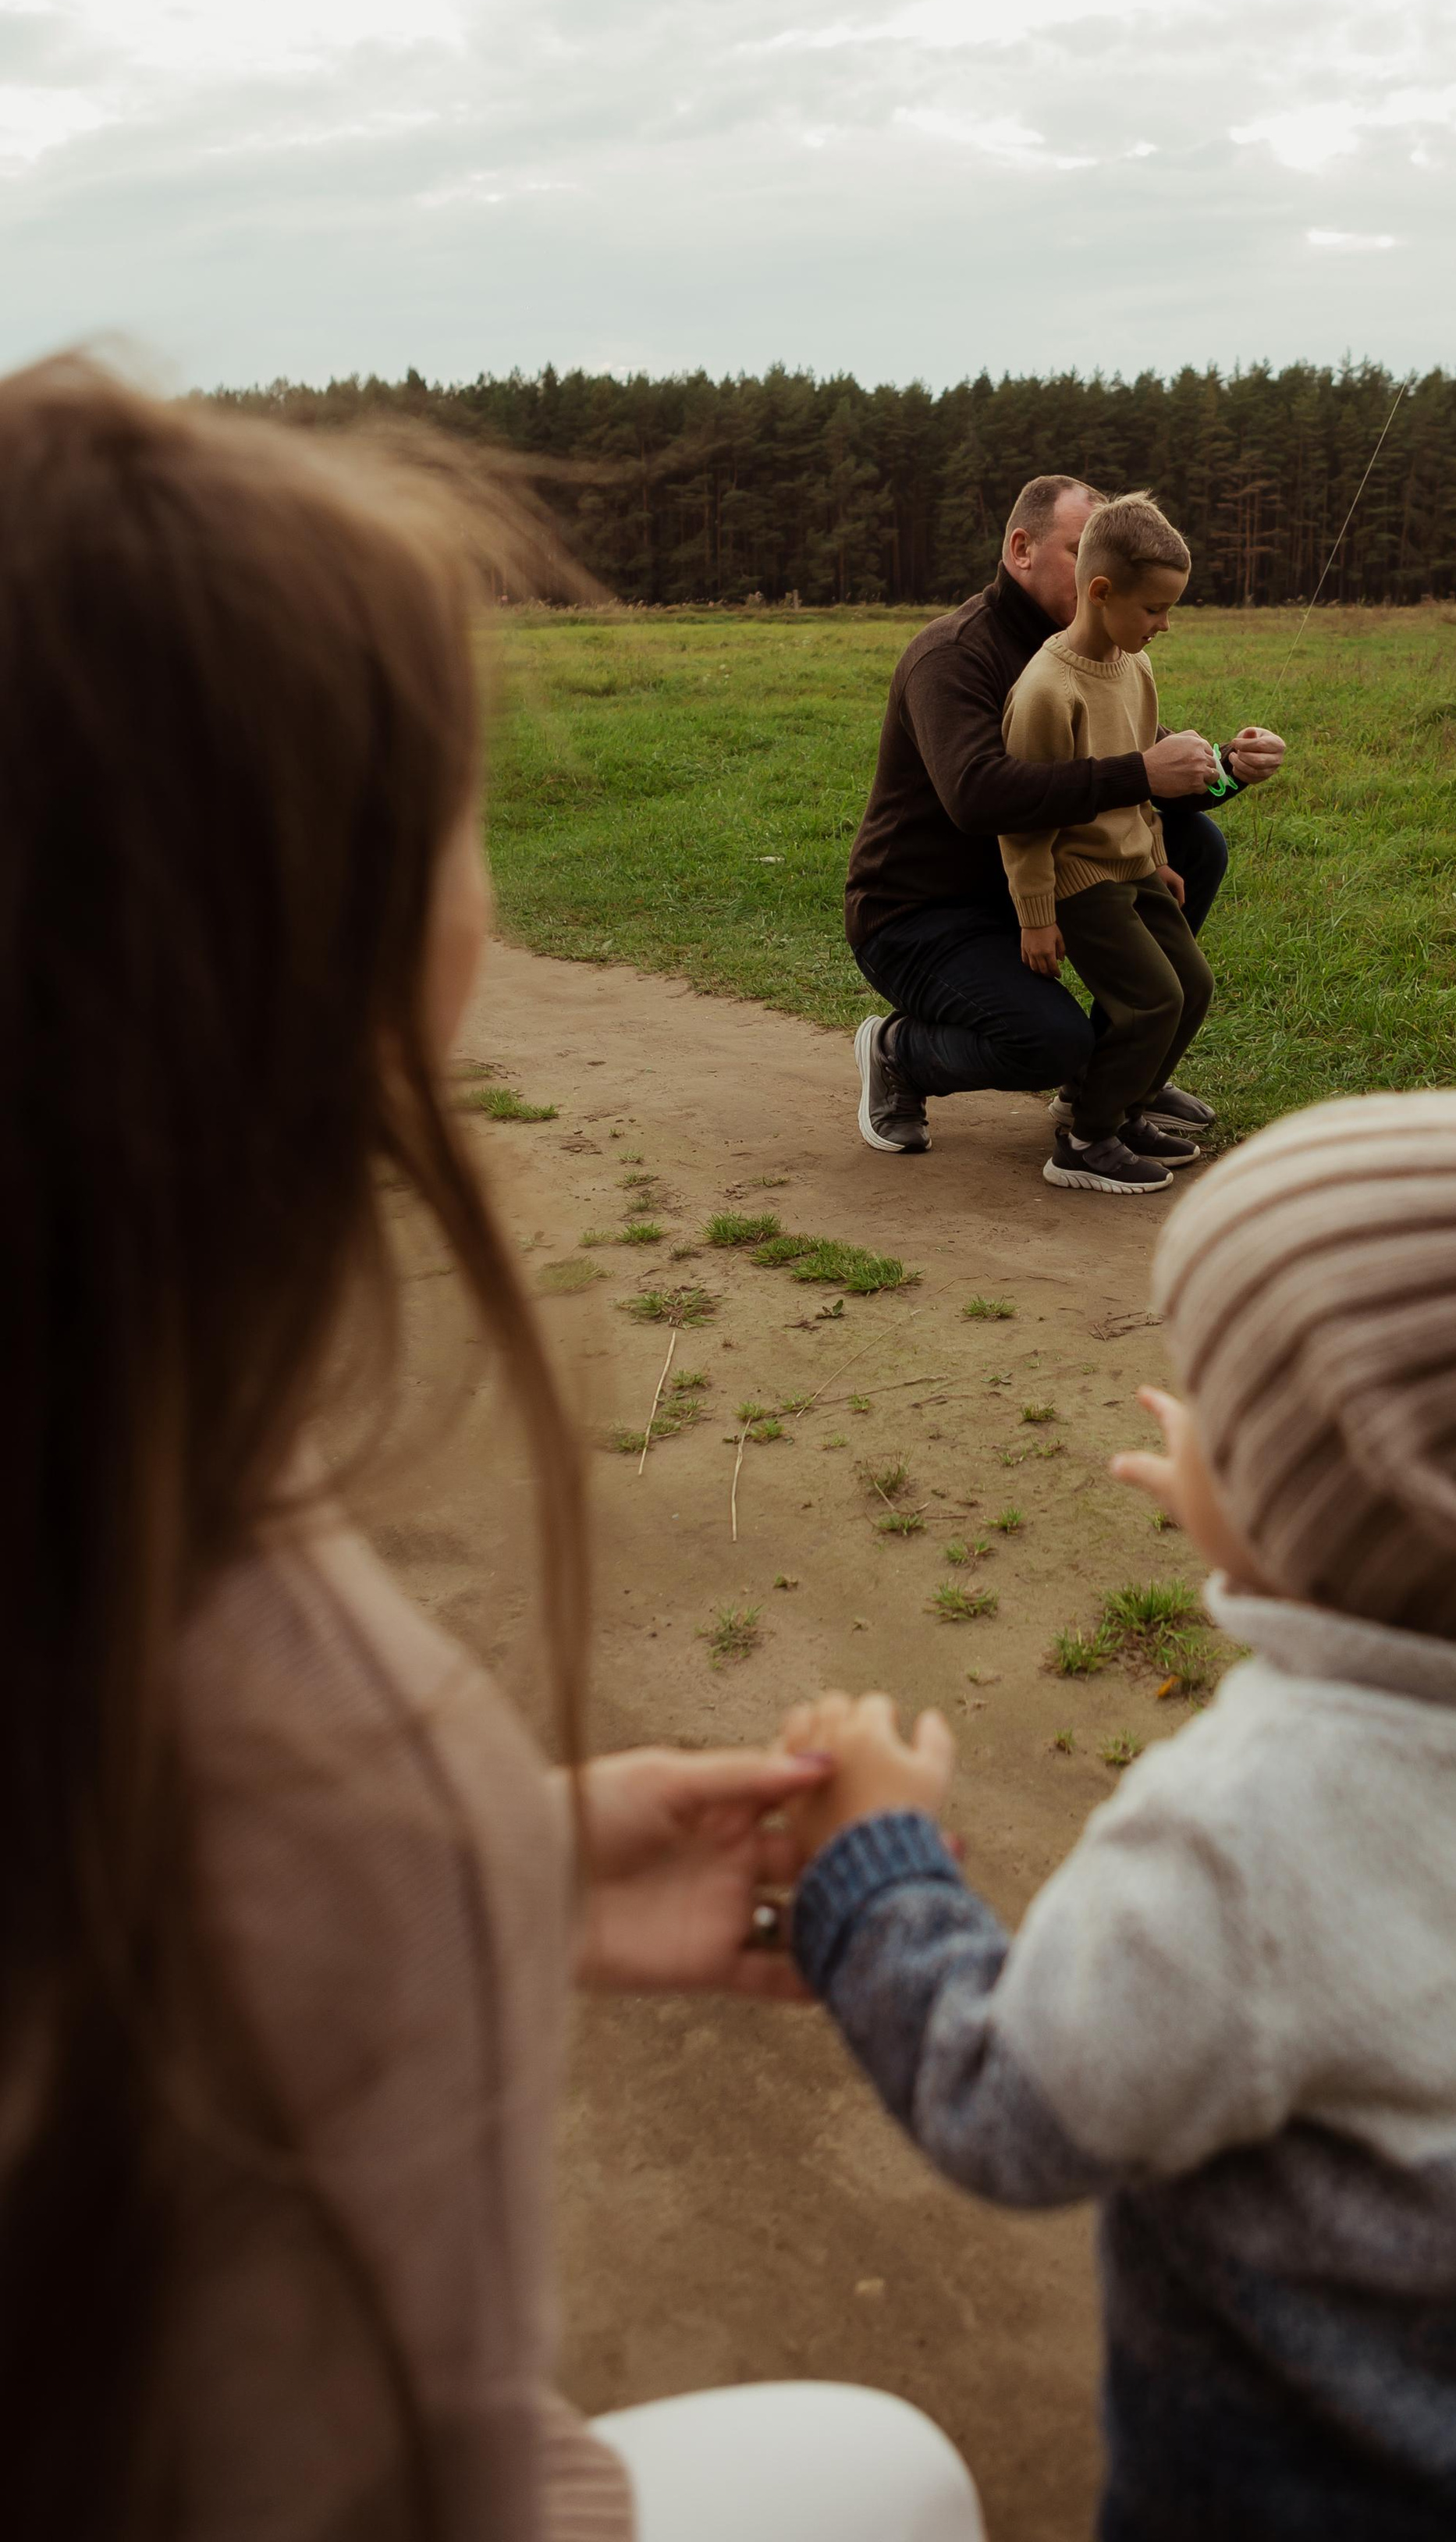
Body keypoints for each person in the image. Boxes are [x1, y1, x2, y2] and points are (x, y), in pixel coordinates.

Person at [0, 357, 982, 2542]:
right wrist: (410, 1869)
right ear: (338, 953)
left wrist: (502, 1871)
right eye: (460, 804)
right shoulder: (317, 1750)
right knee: (895, 2475)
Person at [770, 1088, 1456, 2542]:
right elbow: (1403, 1558)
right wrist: (1264, 1509)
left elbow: (1013, 2112)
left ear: (1330, 1498)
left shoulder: (1239, 1840)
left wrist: (874, 1866)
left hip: (1293, 2481)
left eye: (1231, 1412)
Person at [844, 473, 1285, 1158]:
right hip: (924, 915)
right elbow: (978, 796)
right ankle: (901, 1053)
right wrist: (1141, 771)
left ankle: (1118, 1072)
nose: (1093, 570)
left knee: (1197, 844)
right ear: (1020, 549)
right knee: (1047, 1041)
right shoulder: (954, 655)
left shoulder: (1099, 651)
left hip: (1044, 874)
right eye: (1079, 551)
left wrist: (1228, 769)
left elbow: (1147, 772)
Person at [998, 492, 1214, 1196]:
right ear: (1101, 591)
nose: (1164, 625)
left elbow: (1137, 780)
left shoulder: (1135, 667)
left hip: (1133, 864)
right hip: (1078, 877)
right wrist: (1036, 915)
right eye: (1154, 609)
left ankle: (1126, 1109)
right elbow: (1024, 818)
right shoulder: (1046, 690)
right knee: (1151, 999)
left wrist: (1157, 856)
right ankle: (1087, 1140)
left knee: (1193, 987)